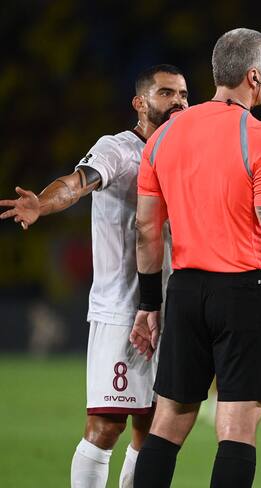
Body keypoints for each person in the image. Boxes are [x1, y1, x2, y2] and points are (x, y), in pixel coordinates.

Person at [129, 28, 261, 488]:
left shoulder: (164, 137)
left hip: (185, 291)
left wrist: (150, 304)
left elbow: (147, 230)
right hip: (245, 293)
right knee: (237, 425)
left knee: (168, 419)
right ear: (253, 76)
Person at [0, 65, 188, 487]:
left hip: (169, 310)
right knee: (107, 426)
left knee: (154, 428)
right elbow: (77, 182)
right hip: (121, 310)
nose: (178, 101)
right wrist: (43, 205)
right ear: (140, 103)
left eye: (183, 93)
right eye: (166, 92)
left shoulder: (181, 153)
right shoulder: (118, 149)